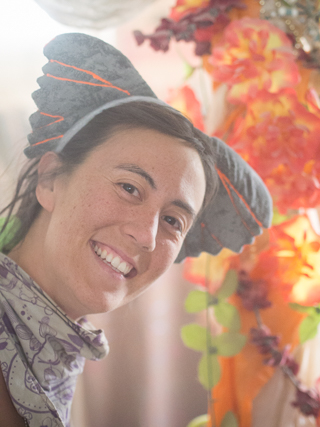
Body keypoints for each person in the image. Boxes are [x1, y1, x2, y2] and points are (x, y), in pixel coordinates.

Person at [0, 33, 272, 427]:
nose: (147, 235)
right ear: (51, 179)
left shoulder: (52, 361)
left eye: (173, 221)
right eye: (129, 188)